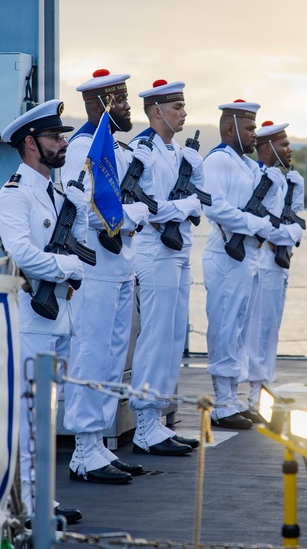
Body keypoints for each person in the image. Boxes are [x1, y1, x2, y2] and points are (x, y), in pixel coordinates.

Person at [0, 99, 86, 523]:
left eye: (63, 135)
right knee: (31, 416)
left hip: (58, 316)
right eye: (54, 137)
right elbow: (22, 254)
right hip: (31, 320)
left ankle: (42, 499)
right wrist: (69, 265)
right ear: (31, 143)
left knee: (46, 417)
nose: (63, 142)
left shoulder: (54, 192)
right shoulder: (14, 196)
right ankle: (28, 505)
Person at [62, 69, 149, 484]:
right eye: (123, 101)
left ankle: (98, 445)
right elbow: (84, 210)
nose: (129, 108)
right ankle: (82, 449)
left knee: (113, 360)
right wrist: (134, 216)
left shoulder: (115, 147)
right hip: (94, 271)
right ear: (101, 105)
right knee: (91, 355)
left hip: (119, 270)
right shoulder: (83, 148)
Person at [127, 79, 205, 456]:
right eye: (177, 108)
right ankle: (144, 423)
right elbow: (152, 208)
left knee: (174, 336)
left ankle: (156, 418)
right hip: (154, 252)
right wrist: (186, 205)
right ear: (157, 111)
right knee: (156, 335)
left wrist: (188, 205)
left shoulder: (181, 155)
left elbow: (200, 202)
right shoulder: (142, 151)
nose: (184, 113)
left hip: (178, 250)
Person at [201, 101, 286, 429]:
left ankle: (234, 398)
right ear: (229, 129)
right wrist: (254, 225)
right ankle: (223, 402)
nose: (254, 135)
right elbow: (215, 208)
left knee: (239, 330)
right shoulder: (218, 161)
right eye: (248, 129)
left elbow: (270, 210)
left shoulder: (249, 167)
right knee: (224, 328)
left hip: (247, 257)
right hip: (225, 254)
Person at [244, 121, 305, 411]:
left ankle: (266, 384)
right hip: (262, 261)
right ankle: (255, 392)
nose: (288, 149)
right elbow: (264, 225)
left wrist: (292, 232)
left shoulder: (290, 180)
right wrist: (291, 233)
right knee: (258, 327)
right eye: (283, 145)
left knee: (272, 327)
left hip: (280, 262)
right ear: (267, 148)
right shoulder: (256, 177)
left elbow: (295, 217)